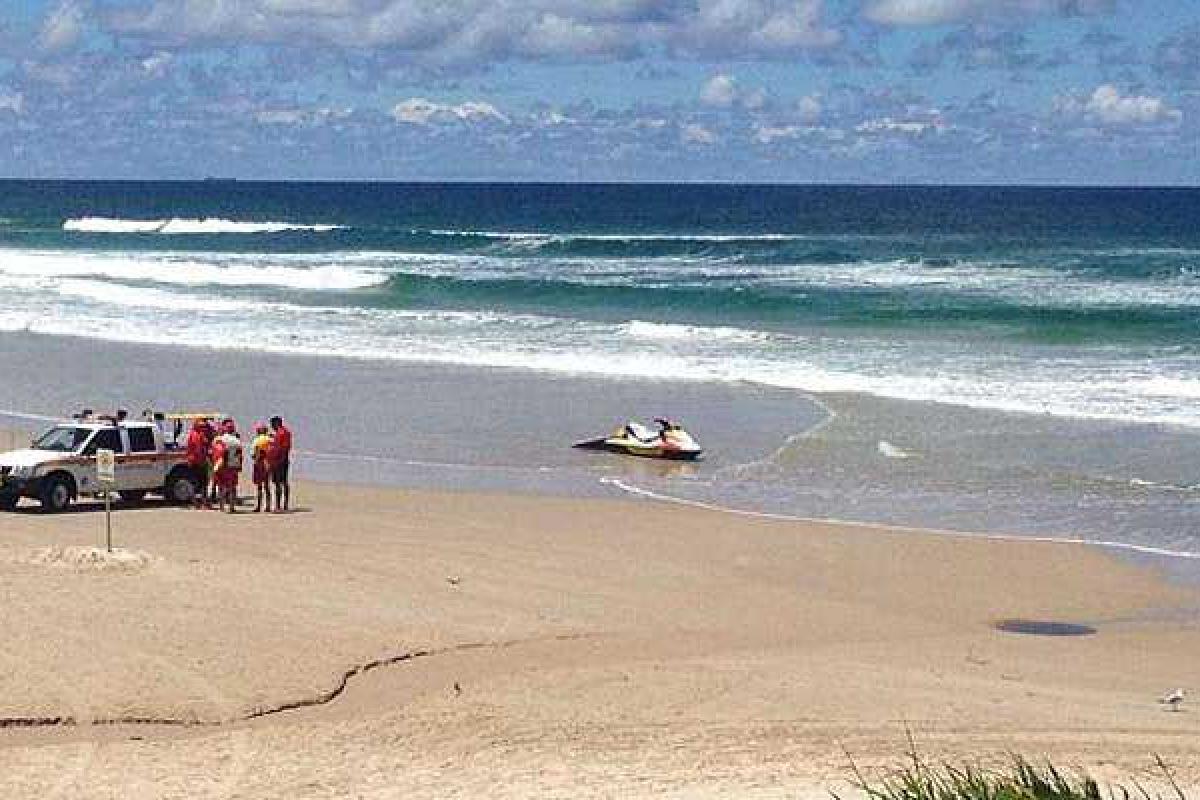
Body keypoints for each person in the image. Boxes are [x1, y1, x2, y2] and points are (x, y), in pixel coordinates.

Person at [213, 419, 243, 514]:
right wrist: (239, 466)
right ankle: (231, 507)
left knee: (221, 486)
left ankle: (222, 506)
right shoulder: (237, 441)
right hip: (233, 466)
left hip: (222, 465)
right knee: (232, 487)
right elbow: (239, 455)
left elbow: (217, 453)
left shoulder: (219, 439)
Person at [185, 418, 211, 509]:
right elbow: (198, 449)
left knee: (195, 482)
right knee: (202, 483)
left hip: (194, 461)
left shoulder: (193, 434)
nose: (204, 428)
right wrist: (203, 460)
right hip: (198, 462)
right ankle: (202, 502)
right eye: (202, 427)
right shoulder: (197, 435)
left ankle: (196, 502)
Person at [268, 415, 292, 512]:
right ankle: (285, 504)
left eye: (272, 425)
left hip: (278, 461)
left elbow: (280, 449)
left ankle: (278, 506)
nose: (272, 427)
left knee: (278, 483)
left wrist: (274, 461)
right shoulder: (285, 432)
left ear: (276, 423)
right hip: (284, 460)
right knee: (284, 482)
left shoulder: (280, 433)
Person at [251, 422, 273, 513]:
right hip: (268, 464)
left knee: (259, 487)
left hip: (259, 464)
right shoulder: (271, 440)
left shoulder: (257, 440)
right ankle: (268, 506)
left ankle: (259, 506)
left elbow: (253, 455)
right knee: (267, 486)